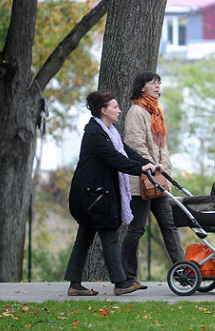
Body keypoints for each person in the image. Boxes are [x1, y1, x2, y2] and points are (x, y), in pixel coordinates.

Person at [65, 91, 157, 296]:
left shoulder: (109, 132)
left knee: (84, 239)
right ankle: (121, 282)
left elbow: (125, 152)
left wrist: (147, 163)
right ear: (103, 110)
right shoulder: (95, 134)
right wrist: (139, 169)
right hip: (93, 197)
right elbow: (115, 159)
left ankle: (74, 285)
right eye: (114, 107)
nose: (119, 110)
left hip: (93, 195)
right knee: (109, 235)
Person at [121, 71, 185, 283]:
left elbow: (162, 146)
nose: (157, 86)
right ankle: (127, 277)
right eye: (152, 83)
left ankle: (184, 273)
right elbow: (135, 144)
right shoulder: (137, 112)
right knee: (137, 229)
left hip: (159, 179)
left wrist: (165, 168)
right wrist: (152, 166)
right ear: (142, 87)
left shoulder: (156, 112)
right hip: (142, 182)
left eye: (159, 82)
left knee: (169, 226)